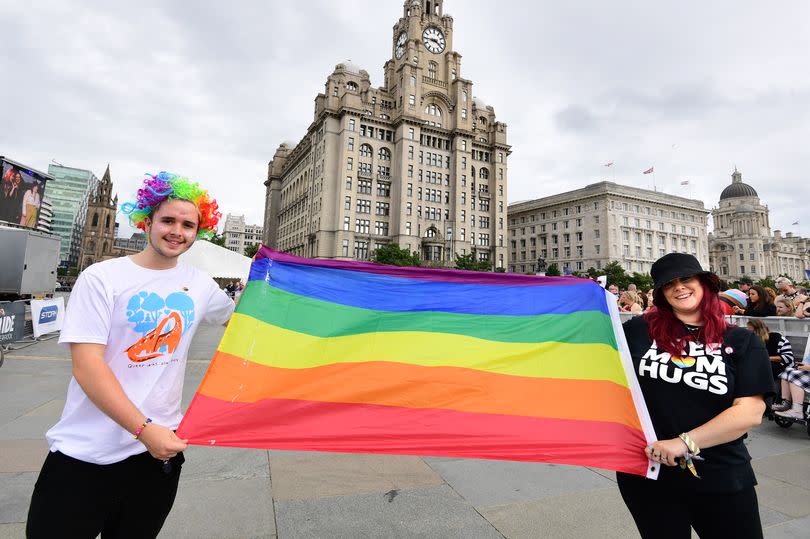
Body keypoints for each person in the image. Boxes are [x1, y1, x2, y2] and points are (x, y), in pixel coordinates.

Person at [26, 172, 235, 538]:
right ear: (147, 221)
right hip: (85, 454)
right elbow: (87, 365)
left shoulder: (200, 283)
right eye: (168, 220)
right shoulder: (101, 277)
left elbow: (246, 317)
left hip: (157, 459)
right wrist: (143, 429)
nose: (177, 231)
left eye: (188, 224)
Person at [618, 253, 772, 539]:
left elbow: (750, 412)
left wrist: (683, 443)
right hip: (649, 476)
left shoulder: (741, 340)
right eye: (669, 284)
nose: (679, 287)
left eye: (686, 279)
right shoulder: (637, 331)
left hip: (721, 475)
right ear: (662, 294)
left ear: (704, 283)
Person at [746, 318, 793, 391]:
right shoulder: (749, 341)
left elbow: (788, 358)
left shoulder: (777, 338)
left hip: (777, 369)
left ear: (758, 330)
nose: (748, 332)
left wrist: (767, 358)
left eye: (750, 330)